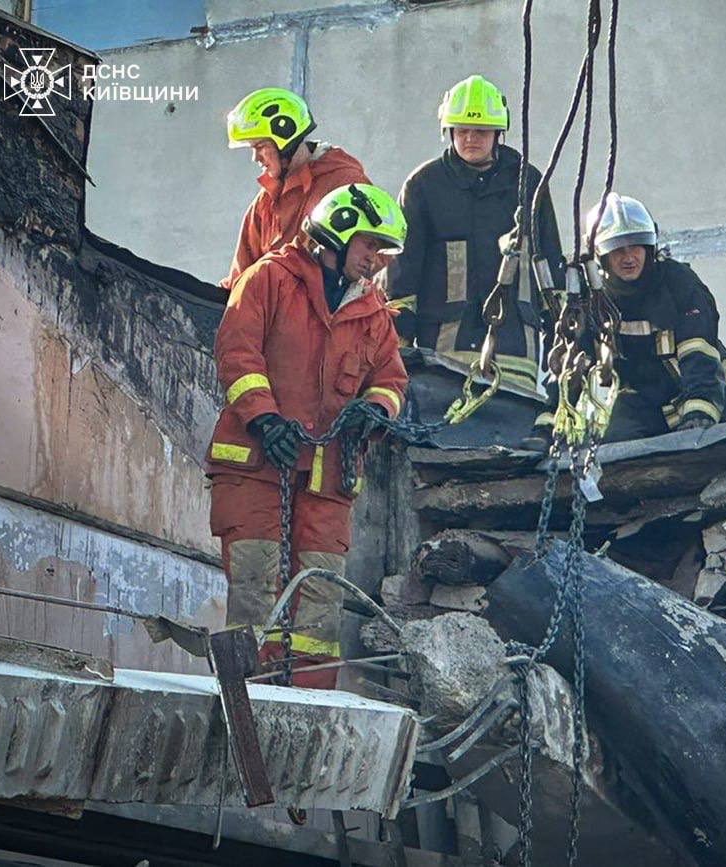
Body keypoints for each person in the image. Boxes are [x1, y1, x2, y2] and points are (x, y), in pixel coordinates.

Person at [206, 182, 408, 689]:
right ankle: (249, 702)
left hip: (326, 477)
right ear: (338, 235)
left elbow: (392, 379)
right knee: (255, 588)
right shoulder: (268, 280)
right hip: (256, 463)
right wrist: (264, 418)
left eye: (384, 251)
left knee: (319, 602)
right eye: (371, 246)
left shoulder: (374, 314)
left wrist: (375, 409)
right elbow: (238, 352)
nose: (378, 260)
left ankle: (310, 711)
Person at [385, 74, 564, 394]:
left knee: (511, 434)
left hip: (514, 351)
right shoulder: (424, 185)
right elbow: (404, 271)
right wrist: (398, 342)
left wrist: (561, 338)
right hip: (442, 351)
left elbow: (549, 262)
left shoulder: (528, 183)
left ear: (498, 133)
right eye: (462, 130)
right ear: (448, 131)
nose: (471, 139)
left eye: (481, 131)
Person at [539, 192, 726, 444]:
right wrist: (546, 430)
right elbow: (570, 372)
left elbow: (699, 355)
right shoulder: (588, 302)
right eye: (618, 249)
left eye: (636, 246)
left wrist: (699, 412)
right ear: (600, 255)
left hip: (713, 391)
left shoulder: (678, 283)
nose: (629, 257)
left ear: (650, 247)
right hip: (646, 403)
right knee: (612, 436)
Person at [220, 87, 370, 292]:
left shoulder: (345, 184)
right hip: (270, 317)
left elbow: (370, 264)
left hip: (327, 319)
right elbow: (239, 279)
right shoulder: (265, 200)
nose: (255, 158)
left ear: (285, 136)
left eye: (260, 147)